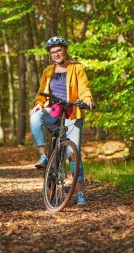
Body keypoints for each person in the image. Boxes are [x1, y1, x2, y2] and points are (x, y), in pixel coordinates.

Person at [30, 36, 94, 205]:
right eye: (53, 52)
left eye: (59, 50)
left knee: (73, 154)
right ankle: (43, 156)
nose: (56, 54)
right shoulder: (48, 71)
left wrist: (87, 99)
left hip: (72, 112)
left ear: (65, 50)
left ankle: (79, 192)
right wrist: (39, 104)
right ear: (50, 55)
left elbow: (84, 87)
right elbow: (41, 93)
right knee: (35, 117)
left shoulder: (76, 68)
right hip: (54, 110)